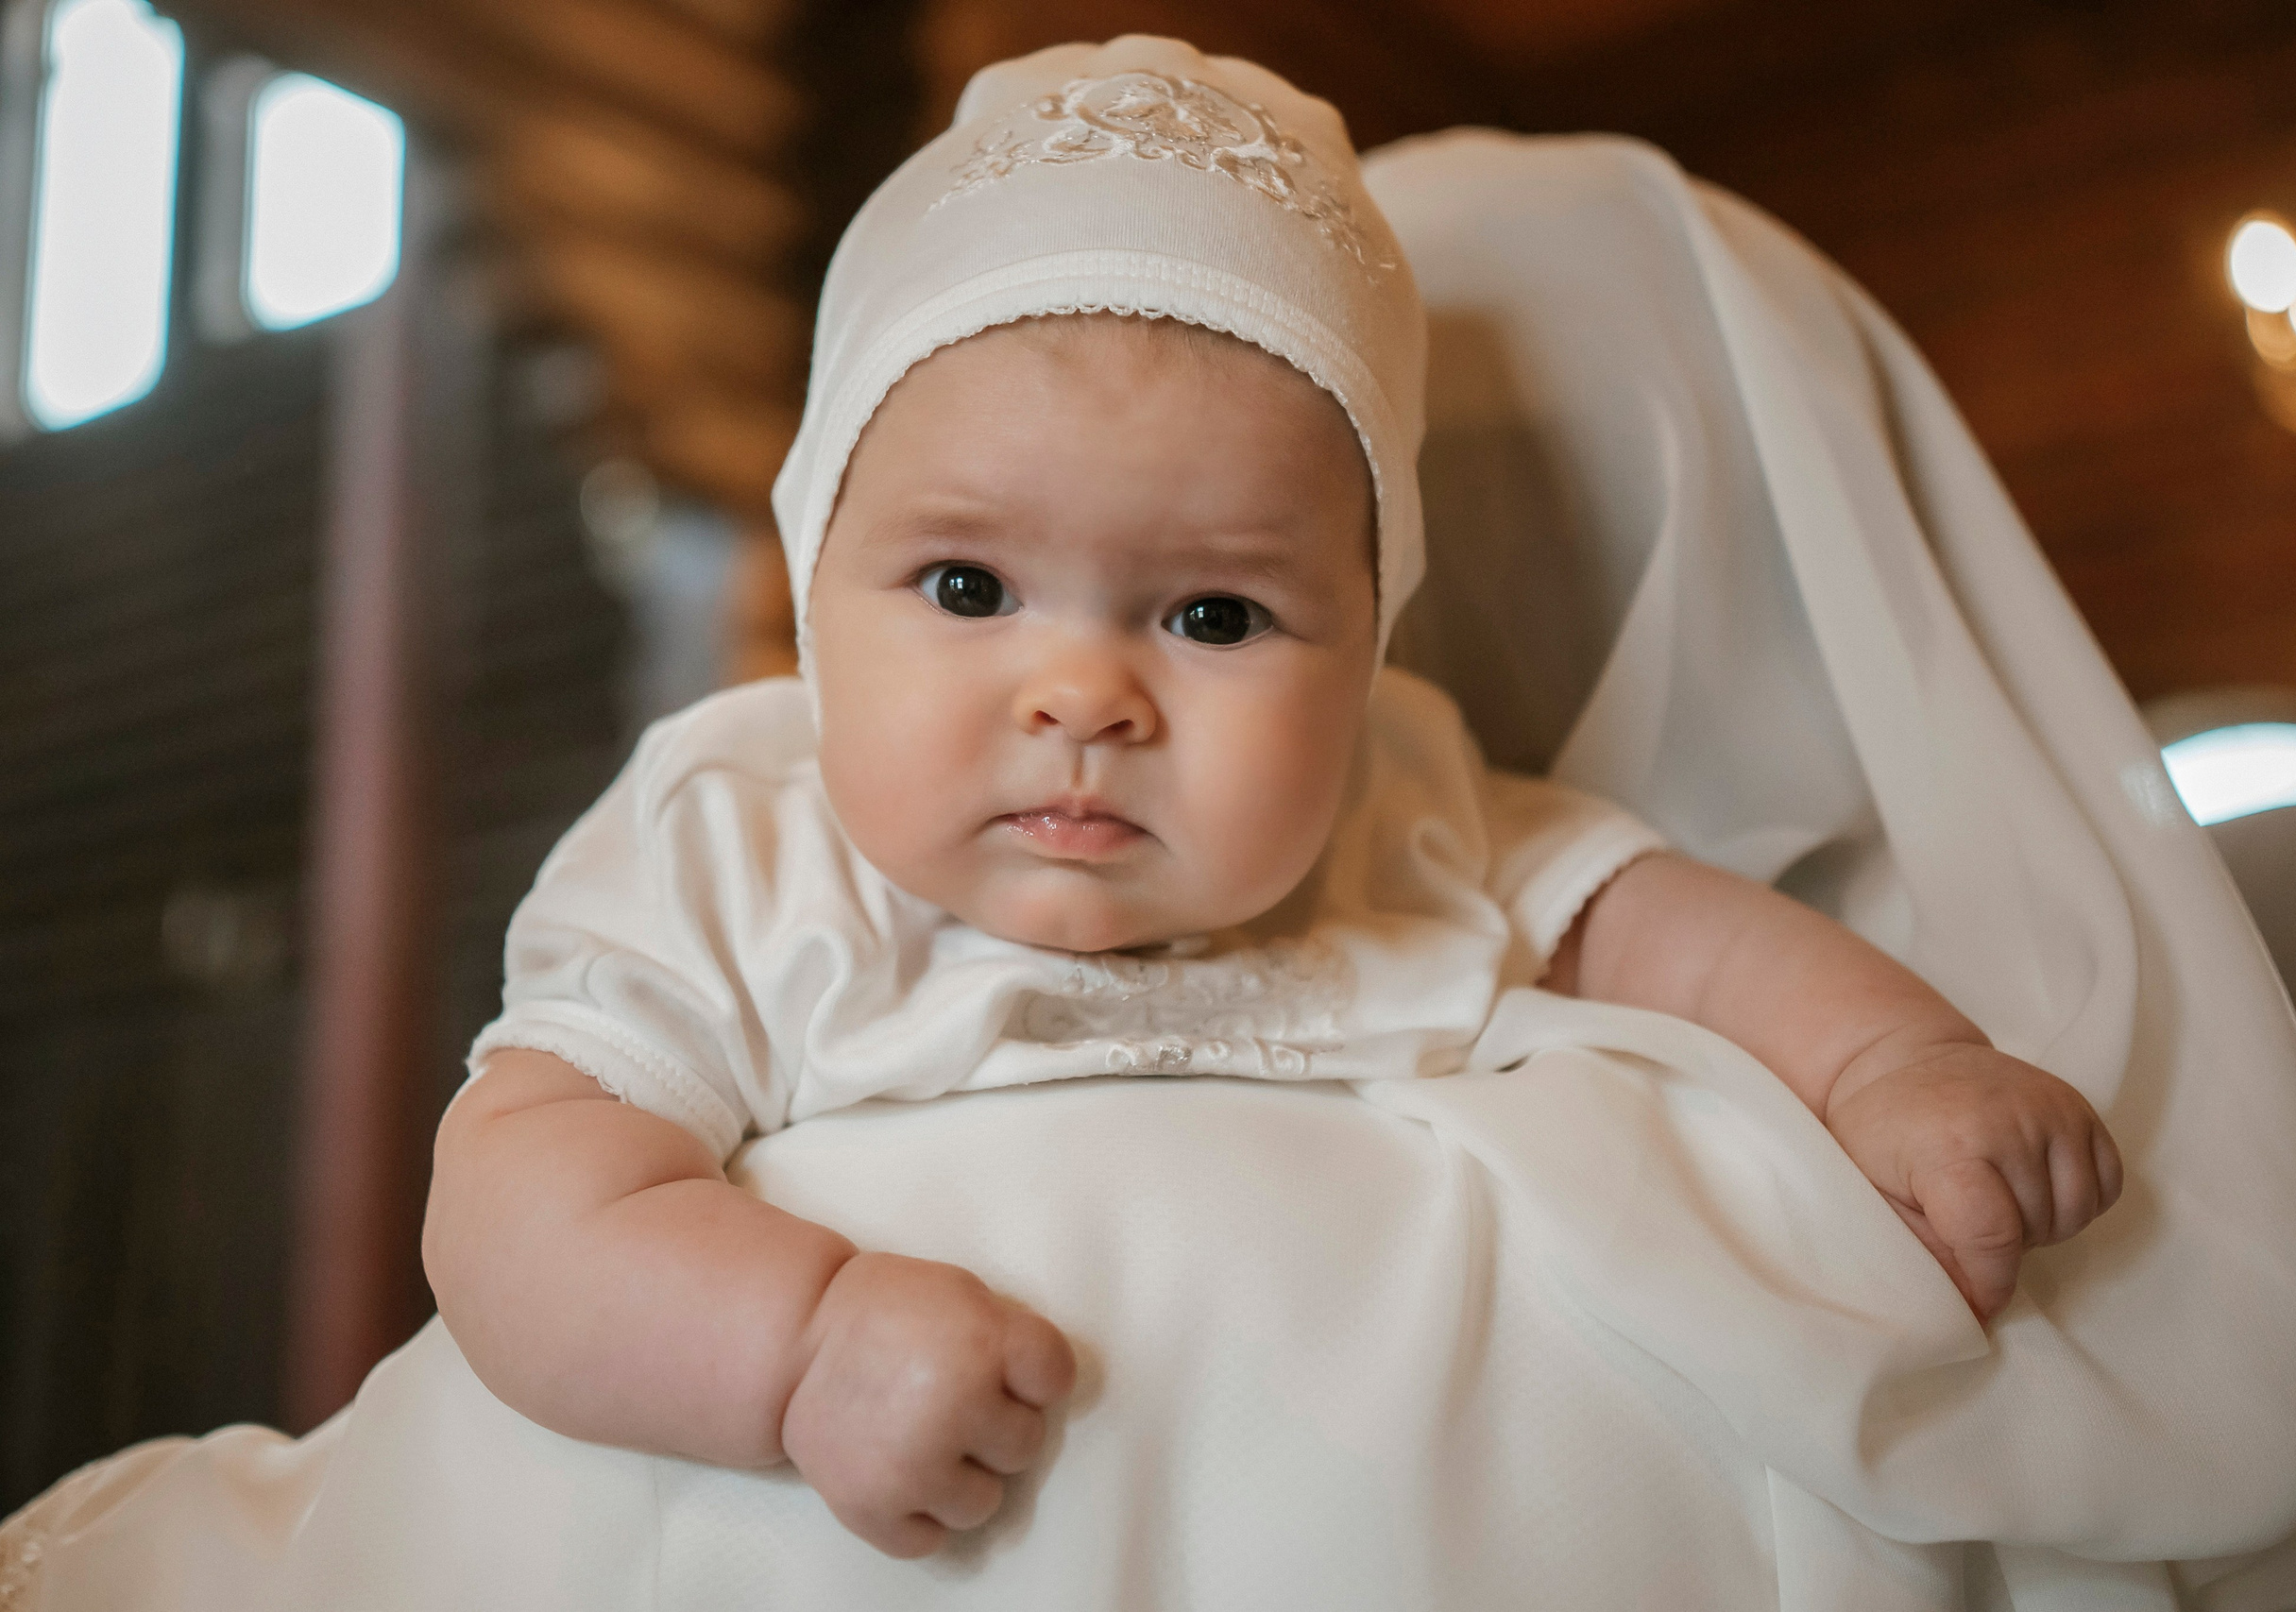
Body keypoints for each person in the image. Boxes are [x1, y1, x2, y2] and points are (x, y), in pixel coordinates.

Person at [425, 42, 2118, 1561]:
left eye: (1214, 616)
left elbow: (1680, 937)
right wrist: (793, 1350)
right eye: (964, 586)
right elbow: (517, 1210)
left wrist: (1894, 1066)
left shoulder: (1406, 813)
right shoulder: (739, 847)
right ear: (814, 593)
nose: (1084, 694)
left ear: (1367, 651)